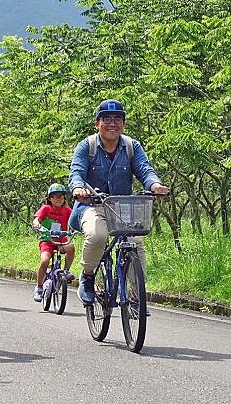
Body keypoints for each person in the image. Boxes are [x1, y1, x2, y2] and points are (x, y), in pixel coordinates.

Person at [68, 99, 169, 304]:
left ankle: (135, 295)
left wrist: (155, 185)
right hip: (91, 205)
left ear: (123, 124)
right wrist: (78, 188)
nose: (112, 123)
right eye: (106, 118)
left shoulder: (132, 146)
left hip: (122, 208)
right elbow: (76, 173)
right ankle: (87, 276)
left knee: (136, 244)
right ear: (97, 123)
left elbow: (144, 169)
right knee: (98, 236)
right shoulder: (87, 146)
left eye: (117, 119)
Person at [31, 184, 74, 302]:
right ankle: (39, 287)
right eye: (55, 196)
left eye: (61, 196)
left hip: (61, 241)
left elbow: (76, 219)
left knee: (70, 248)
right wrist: (36, 223)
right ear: (50, 198)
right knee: (45, 261)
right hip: (47, 240)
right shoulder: (46, 209)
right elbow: (37, 219)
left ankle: (66, 271)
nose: (59, 199)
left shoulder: (67, 210)